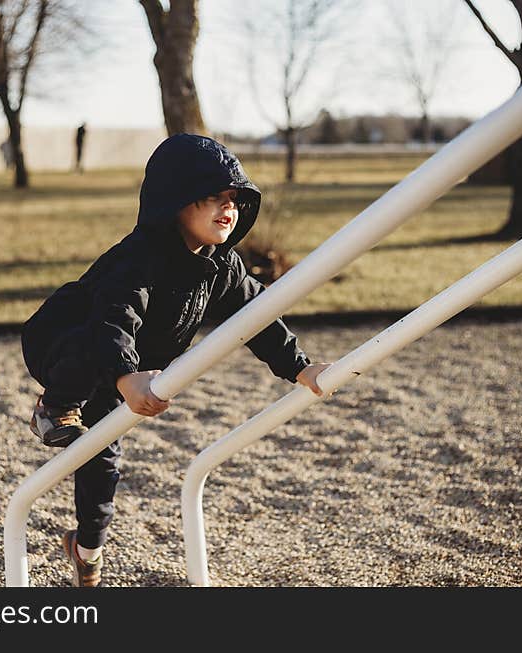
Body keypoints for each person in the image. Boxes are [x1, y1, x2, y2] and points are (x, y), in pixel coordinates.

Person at [20, 133, 330, 587]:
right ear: (175, 203)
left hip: (127, 372)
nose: (229, 209)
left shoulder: (223, 266)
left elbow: (257, 318)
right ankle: (53, 406)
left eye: (235, 200)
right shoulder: (138, 260)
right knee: (91, 342)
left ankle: (86, 551)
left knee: (102, 463)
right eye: (212, 198)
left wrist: (300, 367)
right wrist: (126, 377)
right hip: (69, 346)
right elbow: (114, 322)